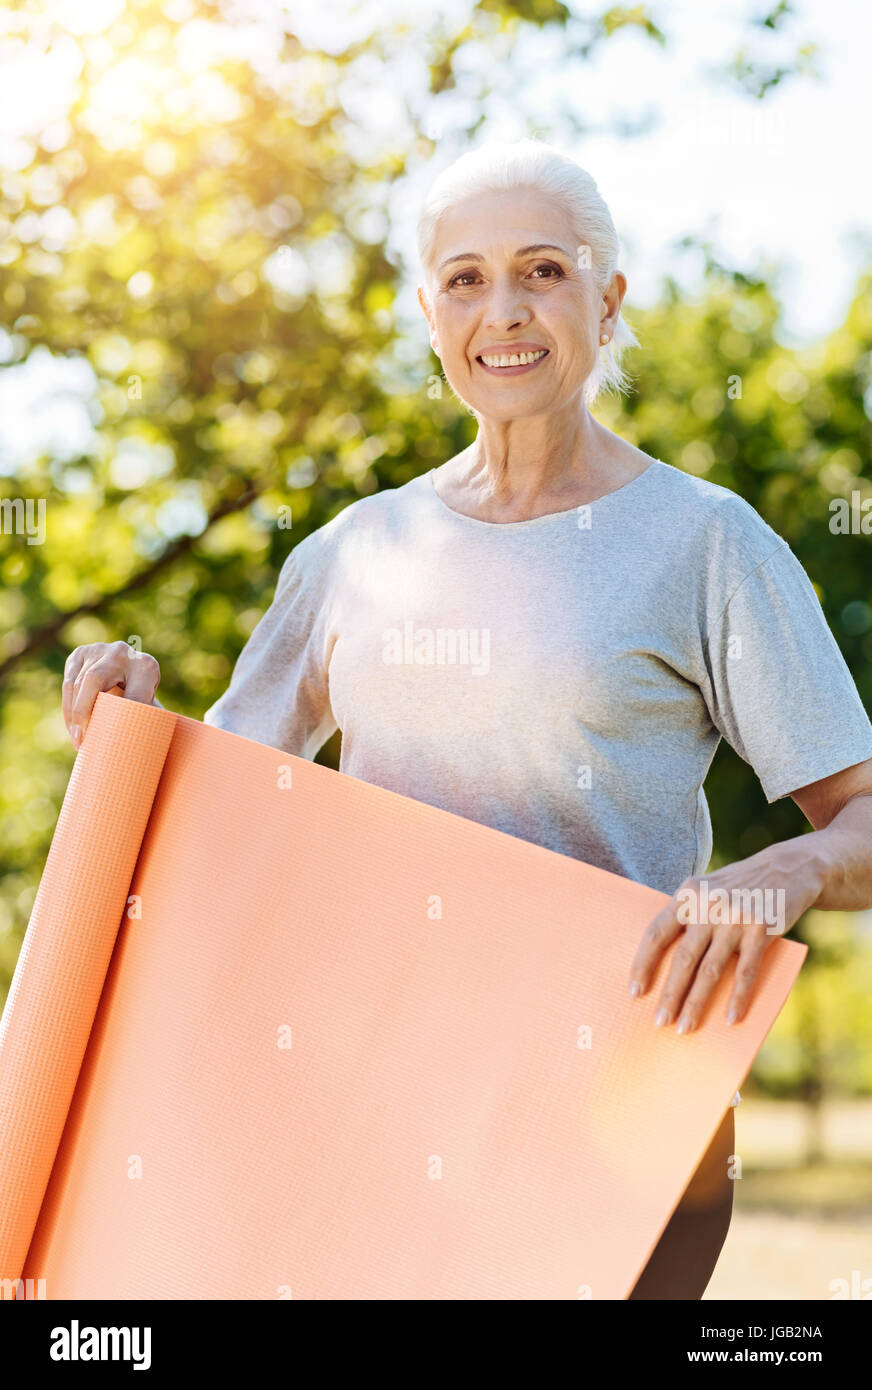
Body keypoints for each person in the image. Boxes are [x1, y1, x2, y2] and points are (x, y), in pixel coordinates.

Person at [62, 139, 872, 1299]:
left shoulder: (707, 544)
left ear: (607, 297)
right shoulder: (351, 553)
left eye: (542, 270)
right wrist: (134, 720)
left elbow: (855, 817)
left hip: (627, 1110)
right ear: (430, 314)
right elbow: (217, 808)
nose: (504, 310)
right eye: (463, 278)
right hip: (383, 1107)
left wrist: (775, 873)